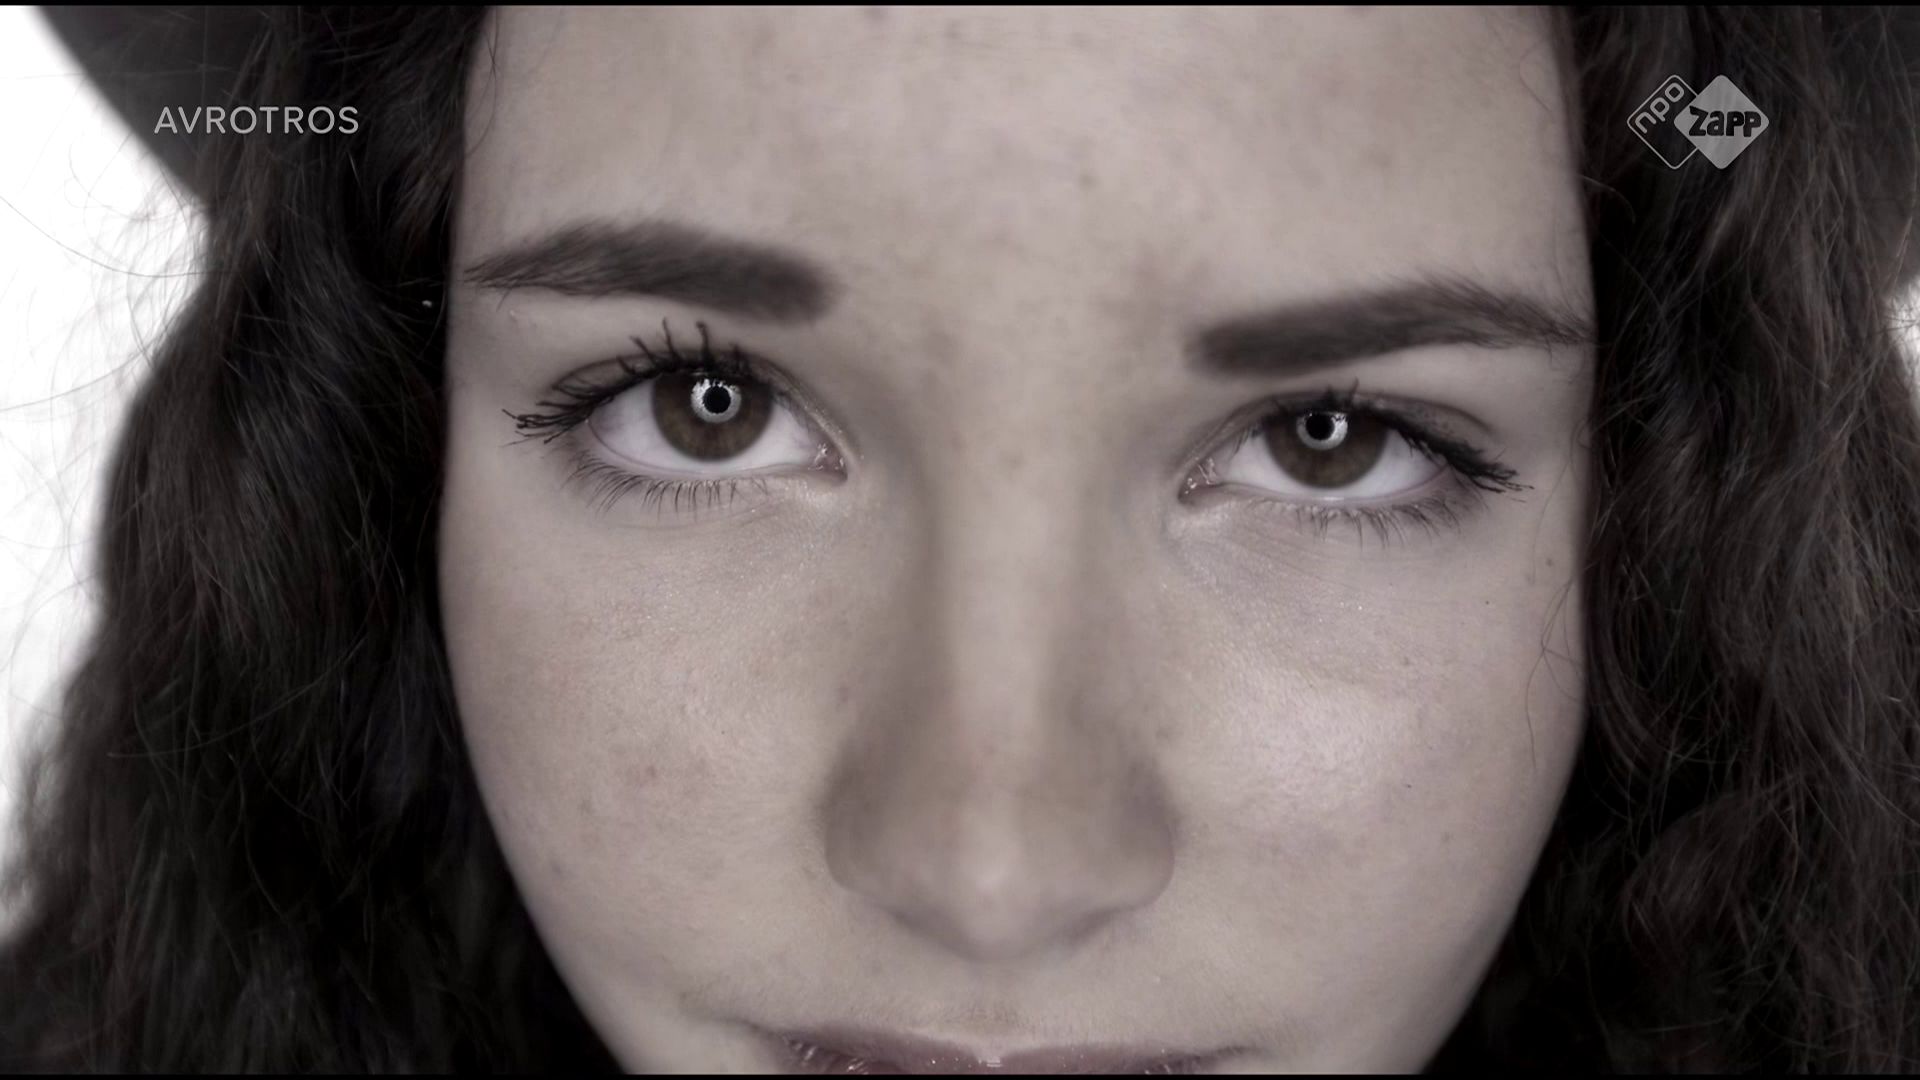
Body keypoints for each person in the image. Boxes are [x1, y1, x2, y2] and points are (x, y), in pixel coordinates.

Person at [4, 6, 1920, 1072]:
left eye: (1328, 442)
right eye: (706, 406)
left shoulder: (1696, 129)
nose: (990, 868)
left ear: (1668, 517)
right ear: (377, 466)